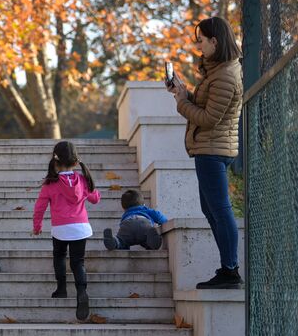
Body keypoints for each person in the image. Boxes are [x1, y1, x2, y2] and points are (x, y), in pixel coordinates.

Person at [166, 16, 243, 289]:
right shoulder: (219, 70)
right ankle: (228, 268)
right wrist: (184, 92)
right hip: (209, 147)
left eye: (201, 40)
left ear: (215, 41)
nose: (198, 45)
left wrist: (181, 102)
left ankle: (230, 269)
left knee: (220, 209)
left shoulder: (225, 75)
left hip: (212, 148)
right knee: (211, 209)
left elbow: (210, 119)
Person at [32, 141, 101, 321]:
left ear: (55, 162)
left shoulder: (50, 183)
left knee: (60, 256)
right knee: (78, 262)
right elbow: (95, 199)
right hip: (80, 228)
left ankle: (61, 288)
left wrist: (37, 226)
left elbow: (39, 208)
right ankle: (82, 292)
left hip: (60, 229)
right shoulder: (83, 180)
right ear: (76, 162)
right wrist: (91, 188)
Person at [103, 189, 167, 250]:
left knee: (122, 241)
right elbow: (160, 217)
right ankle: (152, 241)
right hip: (144, 224)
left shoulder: (126, 213)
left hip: (127, 224)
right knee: (147, 241)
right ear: (143, 204)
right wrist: (164, 223)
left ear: (124, 208)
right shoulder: (145, 209)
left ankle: (114, 241)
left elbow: (122, 224)